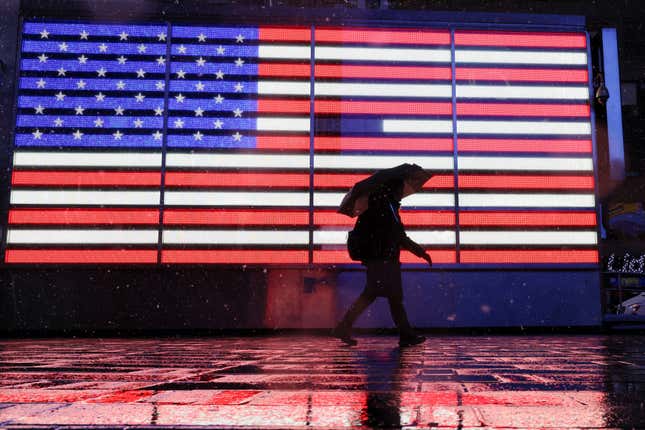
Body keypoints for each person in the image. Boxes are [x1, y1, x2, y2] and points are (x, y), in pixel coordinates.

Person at [332, 179, 432, 347]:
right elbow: (400, 236)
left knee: (373, 295)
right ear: (393, 189)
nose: (402, 191)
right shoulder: (387, 207)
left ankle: (344, 326)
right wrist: (421, 252)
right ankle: (406, 335)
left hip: (378, 260)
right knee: (392, 298)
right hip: (385, 260)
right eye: (400, 188)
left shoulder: (376, 205)